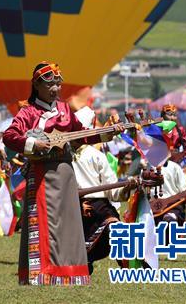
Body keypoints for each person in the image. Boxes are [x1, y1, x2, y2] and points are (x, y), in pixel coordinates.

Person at [2, 62, 120, 286]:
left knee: (68, 225)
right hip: (42, 175)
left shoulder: (65, 109)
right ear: (36, 85)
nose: (55, 89)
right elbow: (9, 136)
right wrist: (33, 143)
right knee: (46, 225)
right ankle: (43, 273)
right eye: (49, 84)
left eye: (58, 83)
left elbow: (81, 135)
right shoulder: (28, 112)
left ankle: (69, 272)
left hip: (66, 174)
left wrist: (107, 134)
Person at [72, 108, 135, 275]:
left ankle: (131, 268)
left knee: (116, 229)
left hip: (98, 206)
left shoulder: (96, 155)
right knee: (78, 260)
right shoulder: (59, 154)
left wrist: (127, 187)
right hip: (71, 208)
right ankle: (84, 261)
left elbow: (113, 190)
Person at [155, 144, 186, 225]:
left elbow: (184, 191)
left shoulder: (174, 167)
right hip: (153, 207)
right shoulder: (148, 168)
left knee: (169, 220)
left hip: (173, 206)